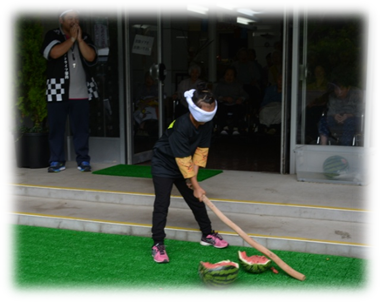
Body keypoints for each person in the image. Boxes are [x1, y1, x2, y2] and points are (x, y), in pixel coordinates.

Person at [150, 82, 229, 263]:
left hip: (183, 163)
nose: (207, 116)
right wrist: (195, 184)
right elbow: (183, 159)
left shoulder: (206, 123)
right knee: (162, 203)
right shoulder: (181, 126)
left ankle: (207, 234)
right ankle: (158, 244)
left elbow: (201, 152)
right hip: (164, 163)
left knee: (196, 200)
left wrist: (193, 181)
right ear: (194, 109)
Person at [41, 5, 98, 172]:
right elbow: (53, 53)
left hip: (81, 92)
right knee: (56, 128)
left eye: (76, 18)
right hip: (57, 91)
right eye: (70, 18)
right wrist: (71, 39)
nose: (74, 21)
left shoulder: (85, 36)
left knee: (81, 129)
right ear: (61, 20)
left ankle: (83, 160)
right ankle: (56, 160)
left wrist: (79, 40)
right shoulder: (53, 35)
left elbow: (91, 56)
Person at [318, 80, 364, 146]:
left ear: (347, 89)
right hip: (336, 118)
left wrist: (348, 115)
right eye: (336, 89)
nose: (338, 91)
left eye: (341, 89)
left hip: (352, 118)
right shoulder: (332, 96)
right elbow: (330, 110)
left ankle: (344, 147)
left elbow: (360, 110)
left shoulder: (356, 94)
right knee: (324, 120)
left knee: (349, 122)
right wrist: (334, 115)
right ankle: (323, 144)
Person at [213, 66, 249, 135]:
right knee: (220, 109)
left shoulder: (238, 85)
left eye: (231, 75)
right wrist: (224, 98)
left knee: (239, 109)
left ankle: (236, 127)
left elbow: (245, 95)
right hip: (223, 103)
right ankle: (224, 127)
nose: (229, 77)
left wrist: (241, 99)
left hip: (235, 103)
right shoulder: (220, 85)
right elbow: (215, 95)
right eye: (227, 75)